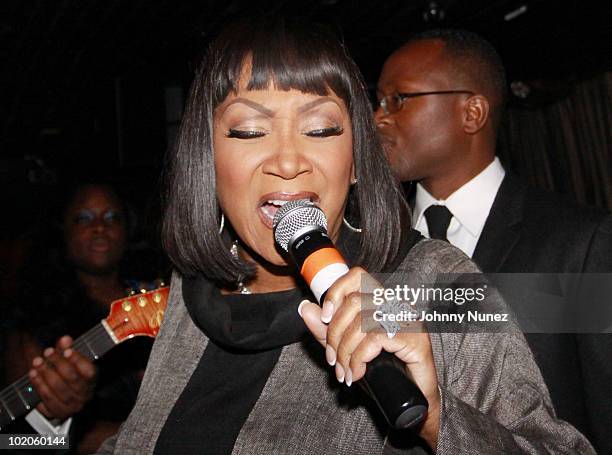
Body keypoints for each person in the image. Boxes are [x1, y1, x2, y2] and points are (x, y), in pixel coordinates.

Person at [97, 19, 594, 454]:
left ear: (356, 160)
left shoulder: (434, 281)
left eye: (320, 130)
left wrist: (437, 418)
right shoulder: (189, 291)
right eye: (249, 130)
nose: (289, 161)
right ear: (206, 159)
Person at [375, 28, 612, 453]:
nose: (379, 117)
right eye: (378, 101)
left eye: (398, 99)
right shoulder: (377, 249)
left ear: (472, 113)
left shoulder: (579, 242)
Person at [3, 182, 155, 453]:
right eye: (83, 218)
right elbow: (15, 444)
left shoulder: (153, 299)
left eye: (112, 217)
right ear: (63, 233)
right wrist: (59, 425)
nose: (99, 227)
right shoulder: (32, 320)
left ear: (128, 231)